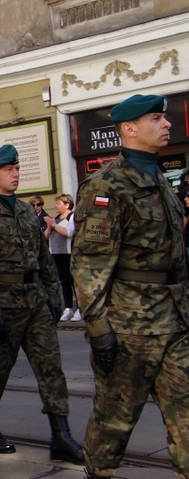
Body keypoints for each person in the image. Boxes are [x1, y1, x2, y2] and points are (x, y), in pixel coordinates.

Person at [71, 94, 189, 479]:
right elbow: (89, 263)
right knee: (114, 421)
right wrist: (99, 331)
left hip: (175, 320)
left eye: (165, 117)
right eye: (157, 118)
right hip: (129, 328)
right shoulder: (106, 185)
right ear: (129, 128)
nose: (167, 123)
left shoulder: (162, 180)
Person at [0, 145, 83, 465]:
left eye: (16, 169)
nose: (15, 175)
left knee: (51, 368)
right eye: (8, 170)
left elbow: (44, 258)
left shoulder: (27, 211)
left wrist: (55, 297)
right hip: (4, 305)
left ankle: (61, 435)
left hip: (36, 302)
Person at [43, 194, 79, 322]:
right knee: (64, 282)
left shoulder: (72, 216)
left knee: (72, 281)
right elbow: (46, 237)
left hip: (67, 253)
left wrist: (54, 225)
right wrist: (49, 226)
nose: (55, 206)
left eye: (58, 204)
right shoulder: (56, 218)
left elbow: (69, 233)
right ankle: (68, 307)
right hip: (56, 253)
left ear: (67, 205)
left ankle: (79, 308)